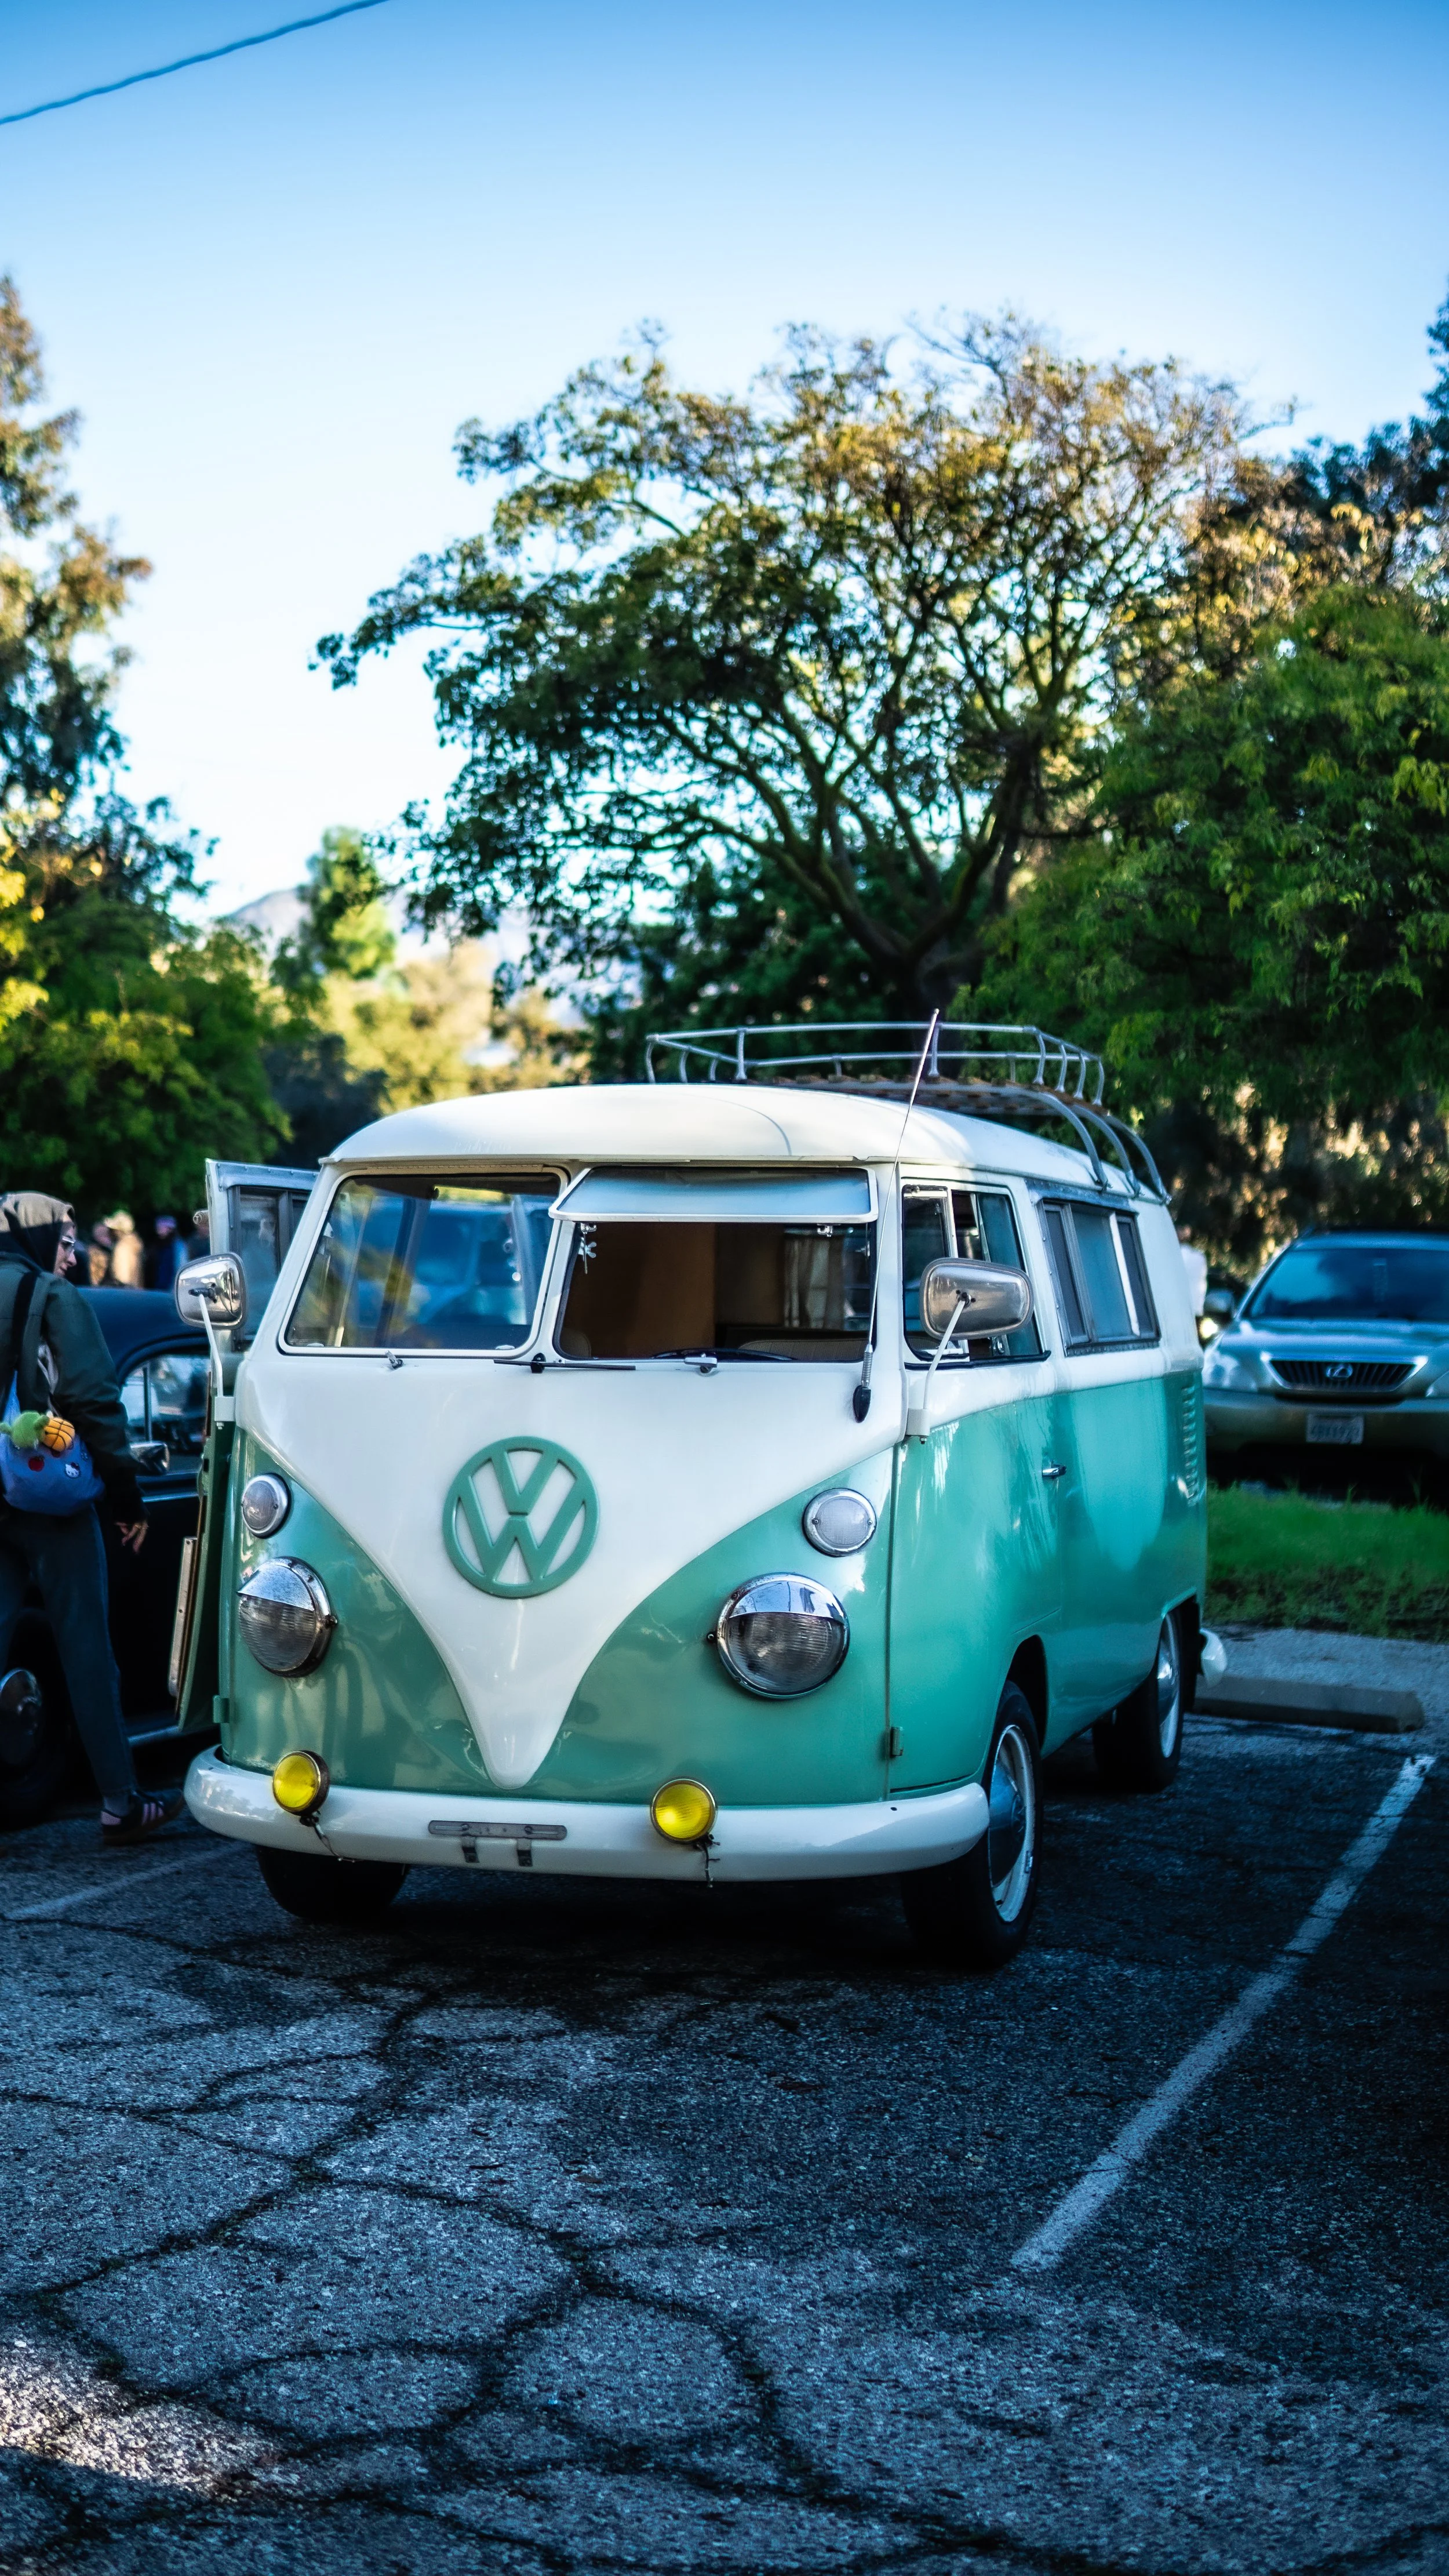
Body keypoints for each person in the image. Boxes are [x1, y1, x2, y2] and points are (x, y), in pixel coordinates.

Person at [0, 1193, 181, 1845]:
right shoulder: (51, 1295)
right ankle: (120, 1800)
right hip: (46, 1493)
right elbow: (94, 1398)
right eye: (66, 1238)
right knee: (86, 1648)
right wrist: (126, 1497)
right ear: (37, 1235)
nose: (74, 1253)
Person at [103, 1209, 144, 1288]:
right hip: (136, 1292)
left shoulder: (122, 1248)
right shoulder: (135, 1244)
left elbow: (121, 1278)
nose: (109, 1232)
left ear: (118, 1231)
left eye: (112, 1230)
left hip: (123, 1293)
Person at [147, 1215, 184, 1294]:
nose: (158, 1231)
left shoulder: (178, 1246)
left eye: (161, 1228)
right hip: (158, 1288)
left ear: (170, 1229)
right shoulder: (158, 1245)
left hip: (171, 1290)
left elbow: (180, 1267)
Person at [85, 1222, 114, 1289]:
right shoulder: (96, 1254)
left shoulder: (90, 1250)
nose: (108, 1239)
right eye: (106, 1235)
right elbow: (95, 1277)